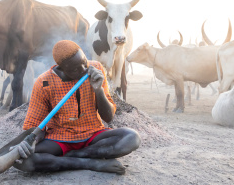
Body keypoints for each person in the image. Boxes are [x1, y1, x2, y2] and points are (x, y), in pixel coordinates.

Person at [12, 40, 141, 174]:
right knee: (21, 159)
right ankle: (89, 163)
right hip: (59, 139)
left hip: (93, 135)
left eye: (84, 62)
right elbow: (35, 125)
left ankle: (76, 156)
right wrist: (33, 141)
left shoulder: (95, 68)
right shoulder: (44, 82)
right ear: (61, 68)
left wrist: (98, 90)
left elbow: (108, 117)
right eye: (75, 69)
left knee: (132, 138)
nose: (84, 70)